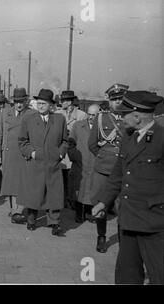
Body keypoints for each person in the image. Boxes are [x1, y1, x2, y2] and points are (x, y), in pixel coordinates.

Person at [92, 91, 164, 285]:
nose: (120, 118)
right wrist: (102, 201)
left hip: (154, 223)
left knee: (159, 276)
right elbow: (117, 175)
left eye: (124, 114)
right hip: (129, 219)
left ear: (137, 117)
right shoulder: (128, 138)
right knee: (127, 276)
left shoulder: (161, 139)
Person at [18, 89, 68, 236]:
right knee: (35, 193)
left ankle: (54, 223)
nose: (40, 106)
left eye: (44, 103)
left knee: (54, 194)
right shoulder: (29, 119)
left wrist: (60, 153)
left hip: (53, 163)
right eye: (39, 103)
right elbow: (22, 141)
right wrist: (31, 153)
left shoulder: (59, 119)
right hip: (36, 163)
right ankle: (31, 220)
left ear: (51, 105)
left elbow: (65, 141)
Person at [88, 83, 129, 252]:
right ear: (109, 101)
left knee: (123, 208)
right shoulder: (100, 118)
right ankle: (101, 236)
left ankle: (123, 240)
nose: (118, 102)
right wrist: (104, 156)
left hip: (123, 171)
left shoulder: (131, 119)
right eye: (114, 99)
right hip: (103, 170)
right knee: (100, 205)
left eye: (121, 99)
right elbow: (92, 144)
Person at [0, 88, 34, 223]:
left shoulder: (31, 114)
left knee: (21, 183)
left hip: (23, 154)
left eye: (21, 101)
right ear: (13, 101)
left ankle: (19, 210)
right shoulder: (5, 113)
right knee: (9, 183)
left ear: (26, 101)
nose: (19, 104)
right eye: (16, 102)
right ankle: (13, 209)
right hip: (8, 153)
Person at [68, 104, 100, 222]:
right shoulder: (78, 126)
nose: (91, 117)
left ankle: (90, 213)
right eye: (89, 114)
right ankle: (78, 214)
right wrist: (74, 157)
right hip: (80, 163)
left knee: (92, 189)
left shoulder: (102, 128)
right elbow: (70, 144)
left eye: (94, 115)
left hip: (95, 164)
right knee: (79, 189)